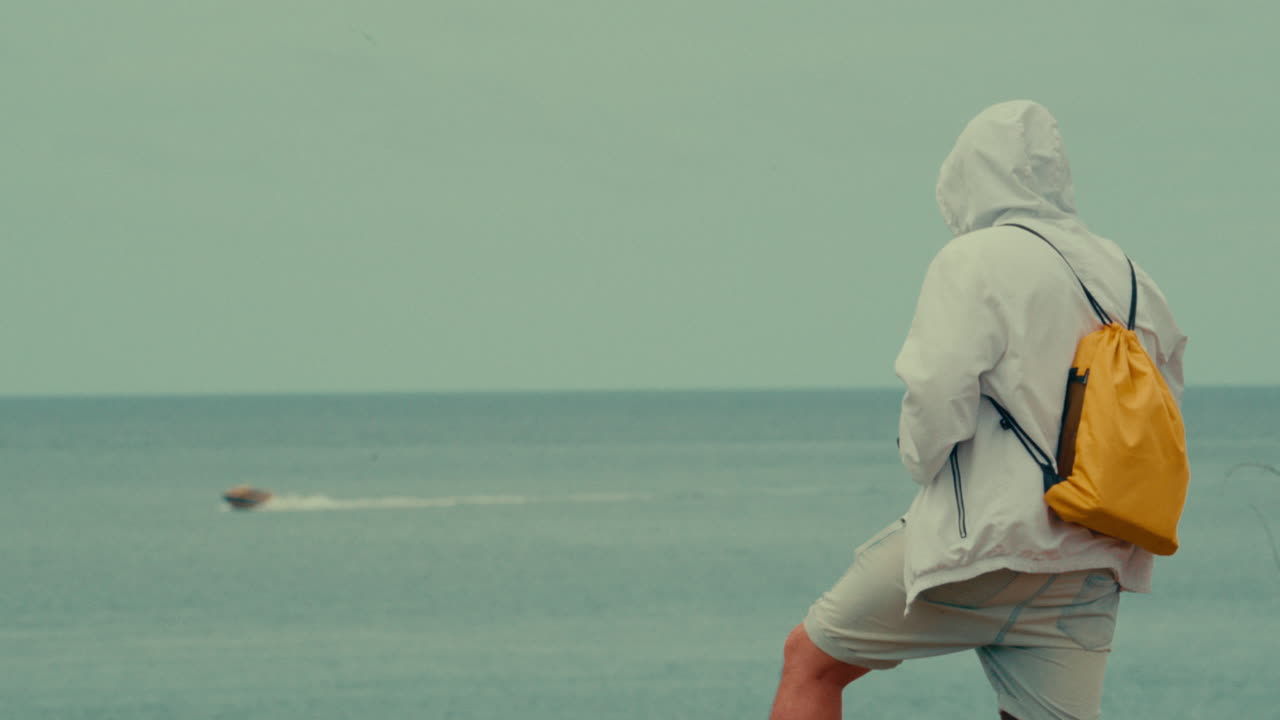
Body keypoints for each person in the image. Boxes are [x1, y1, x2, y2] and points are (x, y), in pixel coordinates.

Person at [769, 100, 1187, 720]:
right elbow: (1163, 405)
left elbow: (936, 399)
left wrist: (917, 459)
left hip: (986, 544)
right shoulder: (1133, 277)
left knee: (811, 661)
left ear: (968, 174)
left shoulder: (975, 258)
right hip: (1094, 557)